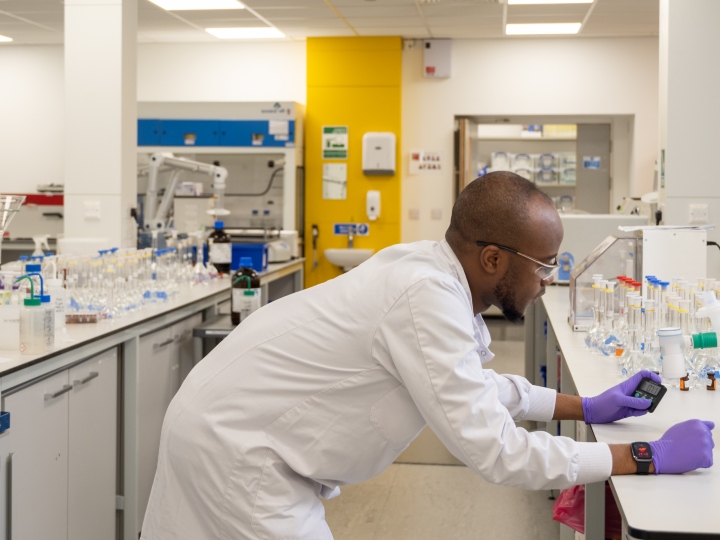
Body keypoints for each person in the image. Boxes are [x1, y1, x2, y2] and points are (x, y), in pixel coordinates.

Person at [141, 172, 714, 540]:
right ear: (493, 259)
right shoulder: (425, 296)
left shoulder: (432, 272)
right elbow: (497, 450)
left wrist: (583, 406)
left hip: (239, 432)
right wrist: (644, 456)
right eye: (543, 264)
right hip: (239, 454)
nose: (548, 279)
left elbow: (468, 387)